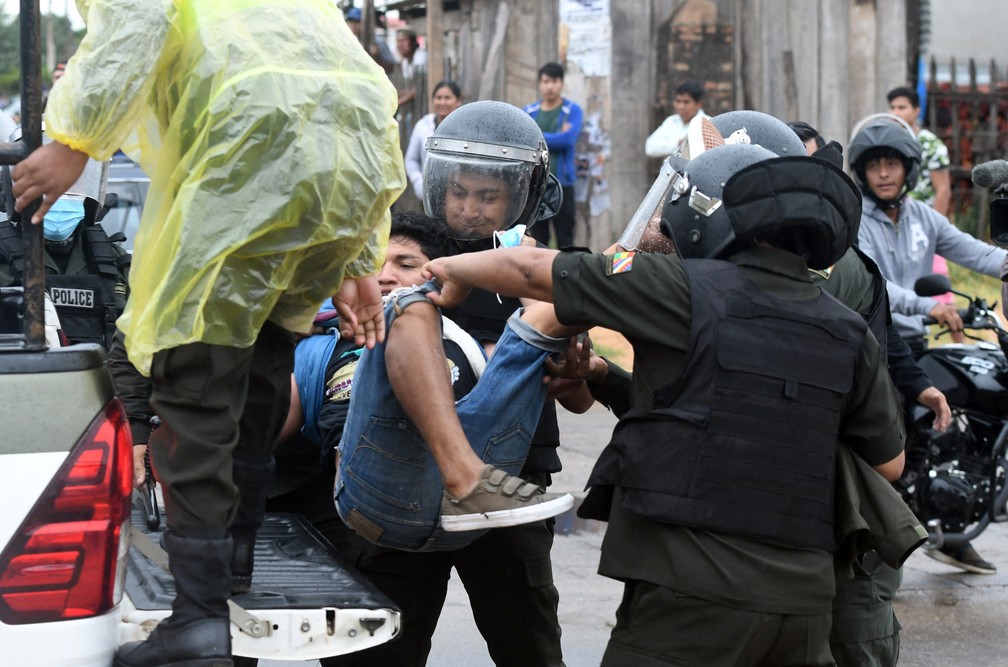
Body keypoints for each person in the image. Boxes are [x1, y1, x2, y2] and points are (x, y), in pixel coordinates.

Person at [11, 3, 405, 666]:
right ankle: (236, 564)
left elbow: (137, 15)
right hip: (351, 144)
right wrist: (359, 254)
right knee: (264, 354)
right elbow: (348, 81)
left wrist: (71, 141)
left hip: (248, 133)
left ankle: (197, 617)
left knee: (193, 371)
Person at [425, 140, 907, 666]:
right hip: (806, 606)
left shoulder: (684, 288)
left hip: (689, 596)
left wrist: (449, 269)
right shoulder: (847, 330)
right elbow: (888, 461)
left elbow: (531, 271)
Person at [327, 100, 573, 667]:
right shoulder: (404, 257)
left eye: (489, 196)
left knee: (529, 646)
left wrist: (567, 366)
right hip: (400, 471)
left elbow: (579, 394)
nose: (470, 208)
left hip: (511, 484)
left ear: (523, 192)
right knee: (382, 646)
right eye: (460, 192)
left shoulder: (537, 269)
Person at [850, 116, 1007, 576]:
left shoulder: (923, 217)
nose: (883, 173)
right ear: (861, 171)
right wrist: (927, 306)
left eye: (892, 164)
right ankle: (876, 536)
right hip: (876, 344)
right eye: (875, 165)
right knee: (892, 431)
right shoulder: (858, 220)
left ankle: (953, 528)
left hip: (918, 343)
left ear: (908, 170)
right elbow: (872, 282)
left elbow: (976, 253)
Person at [1, 133, 128, 350]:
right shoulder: (2, 257)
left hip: (99, 380)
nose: (61, 196)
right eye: (45, 187)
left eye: (74, 187)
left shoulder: (114, 261)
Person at [524, 62, 583, 249]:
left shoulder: (572, 111)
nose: (550, 86)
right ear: (540, 84)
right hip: (535, 185)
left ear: (562, 83)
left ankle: (565, 276)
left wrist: (537, 135)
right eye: (546, 81)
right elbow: (524, 140)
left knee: (565, 238)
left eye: (555, 81)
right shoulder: (529, 111)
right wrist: (554, 136)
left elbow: (567, 140)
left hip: (563, 184)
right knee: (537, 238)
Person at [403, 80, 462, 200]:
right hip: (428, 195)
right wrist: (419, 183)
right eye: (438, 97)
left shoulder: (465, 128)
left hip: (459, 196)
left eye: (447, 97)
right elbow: (411, 160)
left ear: (458, 101)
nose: (442, 102)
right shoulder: (423, 125)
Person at [644, 80, 706, 158]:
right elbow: (649, 148)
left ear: (698, 104)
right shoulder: (671, 121)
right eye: (678, 101)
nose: (681, 106)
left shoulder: (708, 124)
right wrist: (679, 143)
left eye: (686, 102)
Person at [346, 6, 397, 75]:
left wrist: (376, 58)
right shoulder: (353, 42)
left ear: (364, 23)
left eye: (357, 22)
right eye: (351, 22)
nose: (353, 25)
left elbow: (391, 68)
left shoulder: (377, 41)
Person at [395, 28, 427, 108]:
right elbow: (409, 87)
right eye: (398, 41)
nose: (400, 45)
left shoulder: (420, 57)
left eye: (403, 40)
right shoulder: (405, 61)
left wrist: (397, 104)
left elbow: (417, 88)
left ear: (413, 42)